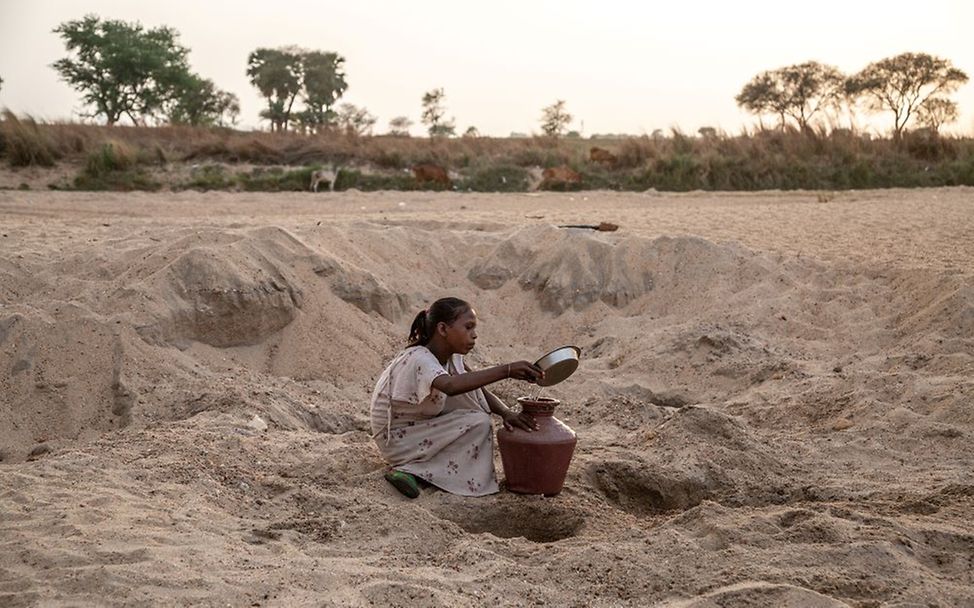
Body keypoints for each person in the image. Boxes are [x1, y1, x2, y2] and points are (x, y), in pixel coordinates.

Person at [370, 297, 544, 498]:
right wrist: (507, 370)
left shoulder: (452, 358)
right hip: (396, 440)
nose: (474, 335)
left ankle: (418, 471)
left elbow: (477, 390)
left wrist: (505, 413)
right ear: (443, 329)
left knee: (475, 405)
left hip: (417, 427)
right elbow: (451, 387)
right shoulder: (420, 358)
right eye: (468, 327)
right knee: (478, 421)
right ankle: (410, 470)